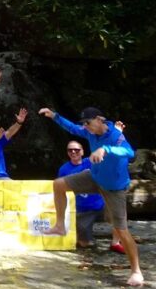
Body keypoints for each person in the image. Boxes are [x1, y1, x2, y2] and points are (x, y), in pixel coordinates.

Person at [39, 106, 143, 287]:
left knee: (122, 230)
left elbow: (130, 152)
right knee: (59, 184)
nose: (85, 126)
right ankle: (60, 226)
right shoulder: (89, 132)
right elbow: (72, 128)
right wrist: (54, 115)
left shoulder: (115, 136)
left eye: (88, 123)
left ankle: (136, 271)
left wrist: (106, 150)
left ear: (99, 119)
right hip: (94, 177)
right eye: (84, 124)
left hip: (113, 188)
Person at [57, 139, 108, 249]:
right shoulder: (64, 169)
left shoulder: (91, 162)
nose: (73, 152)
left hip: (101, 204)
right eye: (70, 150)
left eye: (76, 150)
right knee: (85, 243)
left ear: (83, 151)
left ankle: (117, 241)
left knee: (119, 217)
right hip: (82, 209)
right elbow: (60, 190)